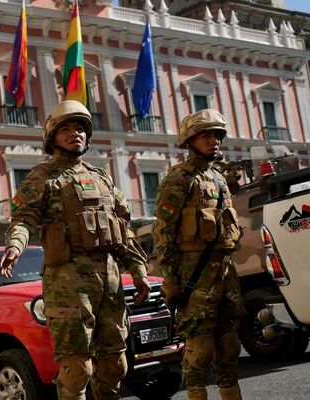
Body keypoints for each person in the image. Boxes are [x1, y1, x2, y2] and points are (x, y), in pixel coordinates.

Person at [0, 100, 151, 400]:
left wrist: (139, 270)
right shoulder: (42, 177)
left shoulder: (101, 178)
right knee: (76, 367)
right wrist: (16, 246)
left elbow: (122, 229)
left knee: (115, 363)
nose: (75, 134)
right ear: (52, 137)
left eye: (80, 128)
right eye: (66, 129)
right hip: (68, 283)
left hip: (109, 280)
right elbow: (23, 219)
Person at [153, 109, 243, 400]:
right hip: (194, 275)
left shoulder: (218, 179)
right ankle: (196, 393)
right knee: (200, 347)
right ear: (190, 141)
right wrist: (169, 277)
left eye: (217, 135)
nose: (214, 141)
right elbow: (163, 231)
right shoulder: (179, 179)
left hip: (225, 272)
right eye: (206, 136)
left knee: (229, 344)